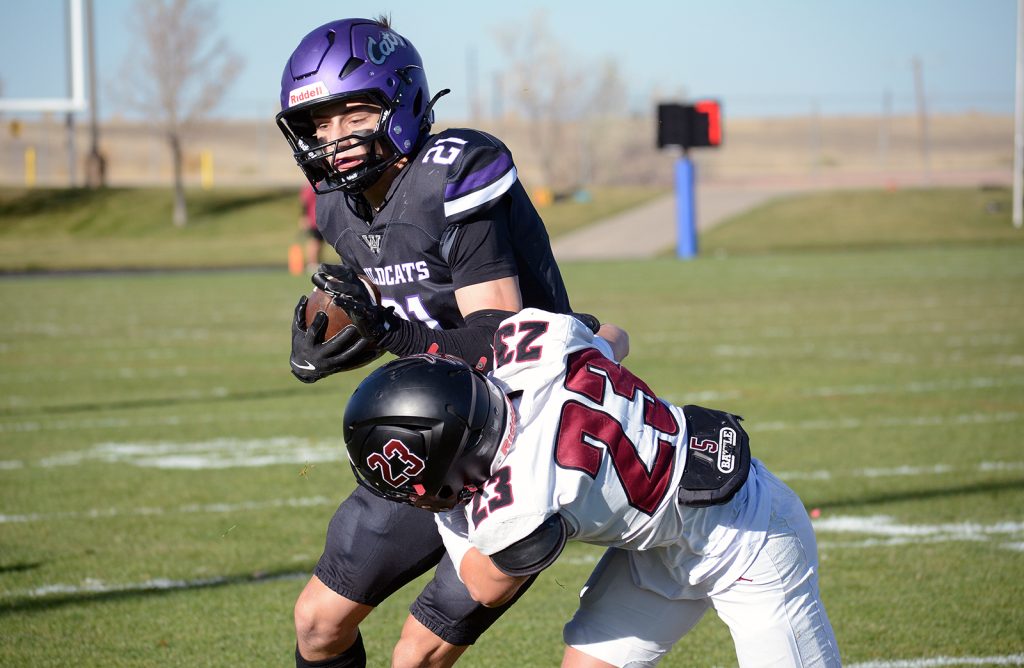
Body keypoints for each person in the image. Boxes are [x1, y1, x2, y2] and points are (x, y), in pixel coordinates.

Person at [276, 16, 596, 668]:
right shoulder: (338, 207)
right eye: (318, 123)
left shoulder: (455, 170)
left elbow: (499, 338)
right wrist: (335, 334)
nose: (333, 138)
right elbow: (383, 299)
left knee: (415, 654)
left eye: (353, 113)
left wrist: (389, 333)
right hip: (434, 433)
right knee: (316, 623)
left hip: (521, 440)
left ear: (401, 102)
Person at [343, 308, 842, 668]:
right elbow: (615, 336)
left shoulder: (520, 501)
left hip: (748, 539)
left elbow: (483, 585)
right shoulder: (535, 343)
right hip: (659, 544)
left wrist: (436, 504)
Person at [298, 182, 324, 272]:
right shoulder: (311, 186)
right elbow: (305, 202)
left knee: (319, 243)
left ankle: (316, 263)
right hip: (315, 218)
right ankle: (312, 263)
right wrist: (304, 216)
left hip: (323, 218)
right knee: (315, 241)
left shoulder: (324, 183)